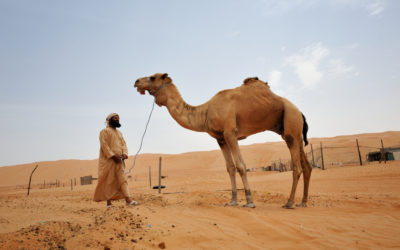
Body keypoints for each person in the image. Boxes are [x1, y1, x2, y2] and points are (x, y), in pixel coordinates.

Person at [93, 113, 139, 208]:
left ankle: (128, 200)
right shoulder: (104, 131)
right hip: (109, 161)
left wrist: (125, 154)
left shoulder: (119, 133)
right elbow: (104, 146)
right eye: (114, 118)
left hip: (120, 161)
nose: (117, 120)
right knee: (108, 181)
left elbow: (123, 144)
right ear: (109, 120)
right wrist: (113, 156)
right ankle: (108, 203)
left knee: (123, 179)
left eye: (118, 118)